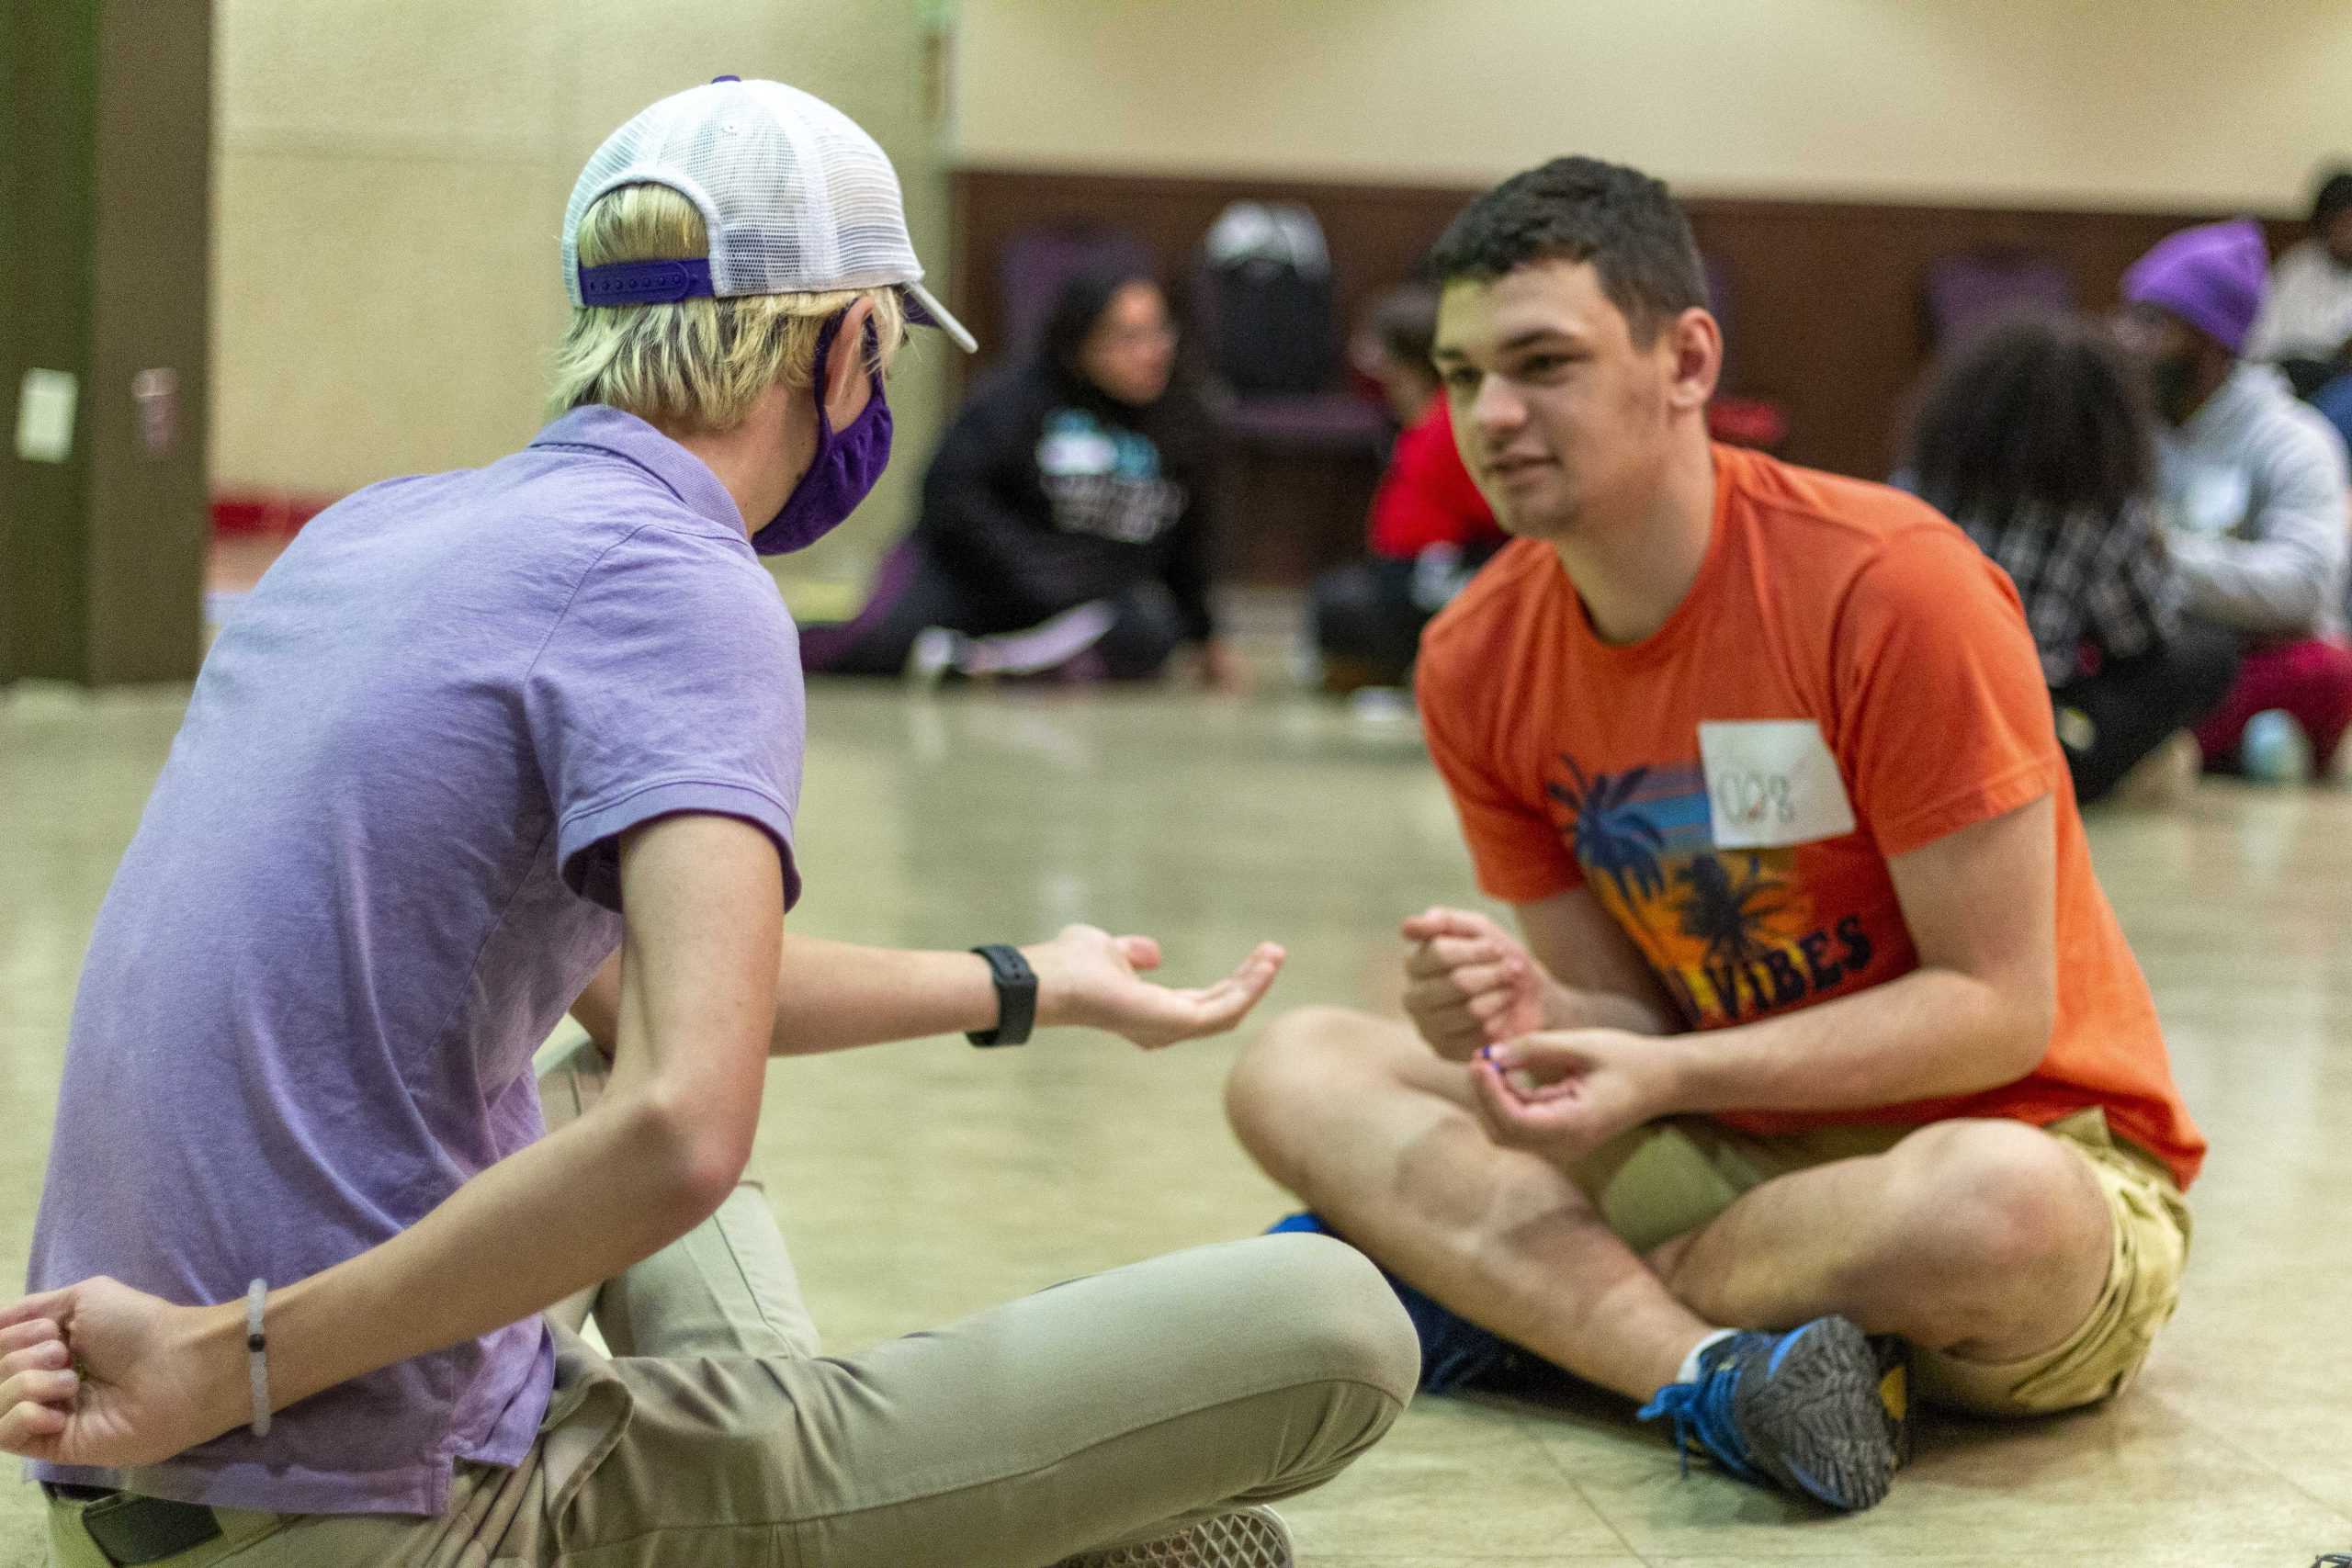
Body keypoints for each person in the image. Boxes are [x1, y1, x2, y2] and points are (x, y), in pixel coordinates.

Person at [5, 78, 1416, 1568]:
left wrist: (1028, 979)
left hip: (135, 1491)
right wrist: (239, 1360)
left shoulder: (377, 525)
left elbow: (644, 1000)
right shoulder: (683, 575)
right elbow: (688, 1124)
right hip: (361, 1502)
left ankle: (836, 1496)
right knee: (1336, 1324)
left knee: (613, 1061)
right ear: (840, 341)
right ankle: (874, 1517)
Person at [1225, 155, 2203, 1517]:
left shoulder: (1891, 586)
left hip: (1987, 1153)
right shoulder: (1474, 654)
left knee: (2000, 1204)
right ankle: (1713, 1368)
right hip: (1722, 1139)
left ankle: (1538, 1306)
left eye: (1543, 362)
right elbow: (1620, 1013)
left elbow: (1994, 1009)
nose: (1489, 415)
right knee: (1297, 1062)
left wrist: (1638, 1084)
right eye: (1458, 376)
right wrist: (1526, 1006)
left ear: (1686, 359)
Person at [799, 266, 1250, 689]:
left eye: (1158, 334)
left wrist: (1206, 636)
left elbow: (1192, 536)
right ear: (1081, 342)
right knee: (874, 647)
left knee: (1149, 633)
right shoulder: (1015, 399)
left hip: (1076, 608)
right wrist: (1027, 570)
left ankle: (978, 663)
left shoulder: (1187, 420)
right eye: (1128, 338)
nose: (1151, 353)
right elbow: (948, 496)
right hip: (972, 577)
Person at [1903, 310, 2237, 803]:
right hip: (2025, 733)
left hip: (1907, 713)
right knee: (2206, 652)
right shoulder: (2102, 507)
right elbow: (2141, 637)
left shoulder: (1921, 483)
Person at [2119, 219, 2352, 778]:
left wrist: (2158, 555)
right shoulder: (2126, 431)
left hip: (2254, 655)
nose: (2129, 340)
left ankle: (2151, 741)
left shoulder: (2294, 440)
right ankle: (2220, 741)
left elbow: (2303, 587)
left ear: (2208, 342)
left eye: (2151, 324)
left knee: (2329, 674)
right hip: (2153, 649)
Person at [1312, 286, 1509, 693]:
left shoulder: (1450, 425)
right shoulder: (1411, 419)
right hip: (1399, 568)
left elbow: (1494, 513)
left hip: (1442, 568)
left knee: (1350, 609)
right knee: (1337, 603)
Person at [2247, 168, 2352, 393]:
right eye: (2346, 224)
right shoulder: (2297, 267)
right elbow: (2262, 344)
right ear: (2326, 224)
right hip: (2289, 380)